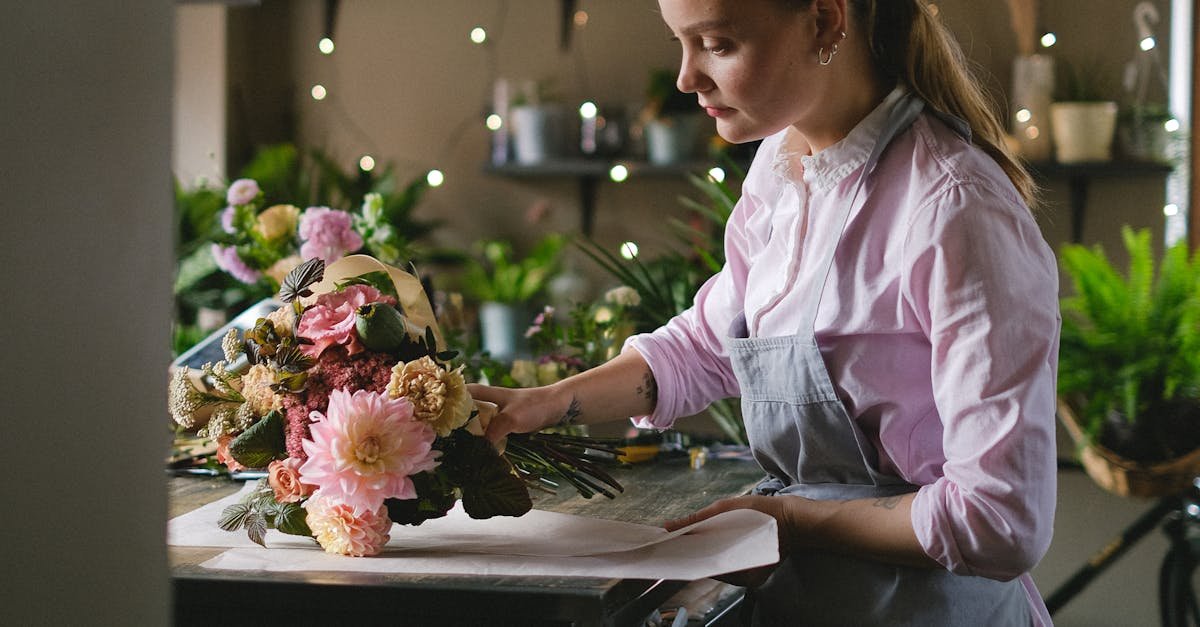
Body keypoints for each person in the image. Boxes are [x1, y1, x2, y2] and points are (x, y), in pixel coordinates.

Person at [470, 0, 1059, 624]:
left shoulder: (953, 207)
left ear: (826, 22)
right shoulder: (781, 169)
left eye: (717, 44)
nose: (685, 78)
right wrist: (543, 405)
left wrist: (793, 519)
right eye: (681, 42)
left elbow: (999, 520)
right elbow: (709, 343)